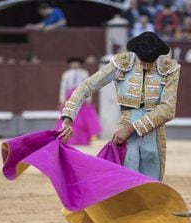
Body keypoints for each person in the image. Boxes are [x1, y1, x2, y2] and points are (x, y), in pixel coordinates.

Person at [58, 32, 181, 181]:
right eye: (144, 60)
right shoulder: (123, 63)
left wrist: (130, 129)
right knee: (126, 183)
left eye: (152, 60)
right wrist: (68, 117)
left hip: (153, 132)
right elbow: (87, 87)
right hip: (127, 127)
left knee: (152, 183)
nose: (147, 65)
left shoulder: (169, 68)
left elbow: (168, 110)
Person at [56, 57, 102, 145]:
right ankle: (69, 140)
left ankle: (82, 140)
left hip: (81, 98)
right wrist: (62, 99)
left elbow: (89, 86)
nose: (75, 64)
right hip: (69, 97)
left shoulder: (84, 73)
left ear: (80, 64)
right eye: (73, 63)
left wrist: (88, 98)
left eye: (76, 63)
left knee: (81, 120)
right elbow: (63, 87)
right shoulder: (66, 74)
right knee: (69, 118)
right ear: (70, 64)